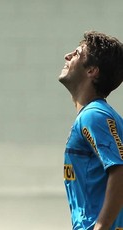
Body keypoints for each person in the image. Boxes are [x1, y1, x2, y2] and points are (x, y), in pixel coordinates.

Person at [59, 31, 123, 230]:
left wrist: (101, 226)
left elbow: (120, 169)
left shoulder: (94, 115)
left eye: (77, 54)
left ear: (92, 71)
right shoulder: (99, 115)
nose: (67, 56)